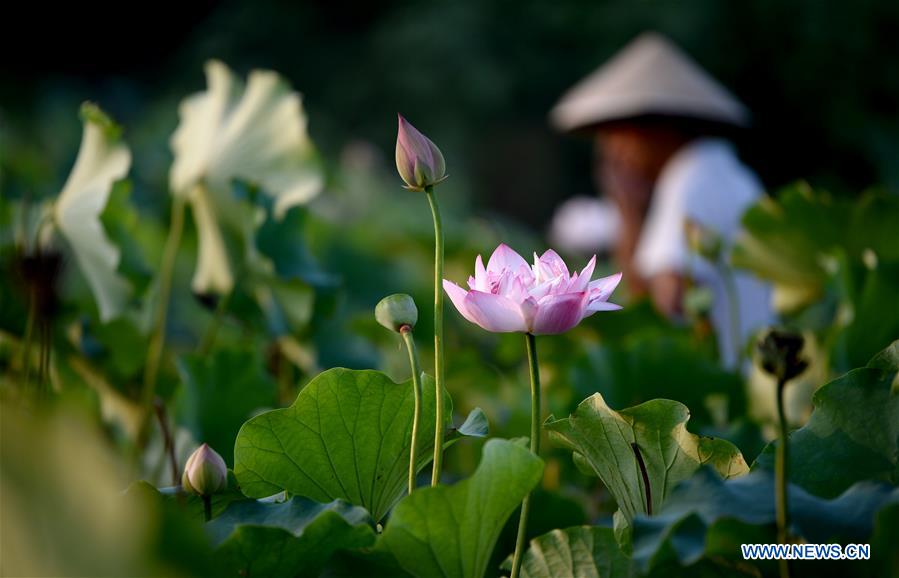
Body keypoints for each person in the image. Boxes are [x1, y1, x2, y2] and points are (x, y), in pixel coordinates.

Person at [550, 32, 771, 368]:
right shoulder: (725, 170)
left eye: (616, 134)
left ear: (655, 128)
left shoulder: (692, 179)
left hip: (724, 380)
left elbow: (662, 313)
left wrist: (627, 213)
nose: (611, 154)